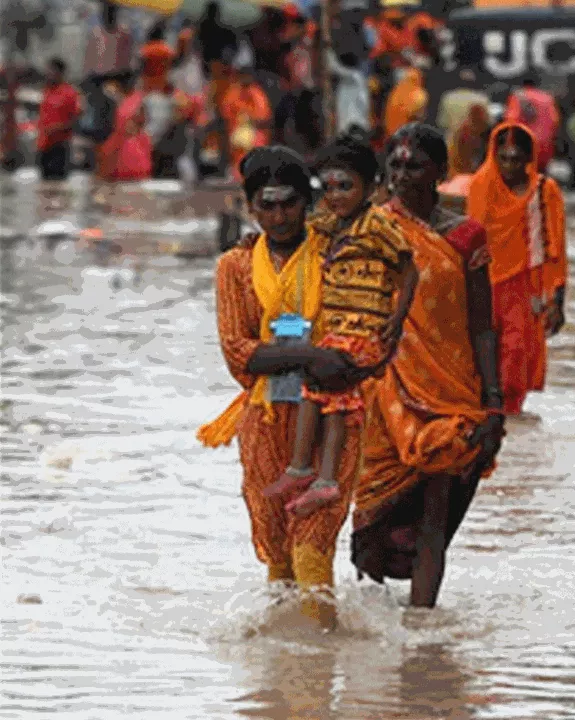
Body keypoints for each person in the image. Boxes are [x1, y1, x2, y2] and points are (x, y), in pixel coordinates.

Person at [197, 146, 363, 630]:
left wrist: (321, 360)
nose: (278, 215)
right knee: (278, 554)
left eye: (288, 203)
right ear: (250, 207)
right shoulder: (236, 267)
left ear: (307, 203)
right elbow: (237, 352)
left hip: (334, 419)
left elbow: (357, 334)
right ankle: (286, 676)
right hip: (267, 422)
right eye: (266, 205)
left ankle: (319, 660)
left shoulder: (337, 253)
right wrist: (312, 356)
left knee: (313, 548)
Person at [351, 122, 505, 608]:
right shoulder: (374, 225)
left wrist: (494, 401)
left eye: (413, 165)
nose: (400, 175)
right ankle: (371, 632)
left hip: (449, 392)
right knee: (371, 515)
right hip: (385, 388)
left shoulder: (465, 236)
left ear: (440, 172)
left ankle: (422, 632)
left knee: (434, 518)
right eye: (394, 164)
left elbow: (483, 324)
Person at [263, 134, 418, 518]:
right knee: (319, 393)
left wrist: (397, 321)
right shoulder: (333, 224)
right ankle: (309, 473)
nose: (336, 196)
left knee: (325, 388)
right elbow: (294, 231)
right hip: (337, 328)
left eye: (346, 186)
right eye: (328, 187)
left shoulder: (377, 225)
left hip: (366, 331)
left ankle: (317, 476)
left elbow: (409, 268)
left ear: (371, 187)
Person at [466, 124, 567, 417]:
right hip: (483, 283)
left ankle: (511, 426)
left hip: (525, 287)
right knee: (478, 360)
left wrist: (557, 300)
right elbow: (469, 238)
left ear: (529, 159)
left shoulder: (543, 190)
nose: (509, 166)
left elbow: (555, 246)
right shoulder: (481, 186)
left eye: (516, 159)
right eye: (503, 158)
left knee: (515, 359)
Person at [220, 63, 272, 178]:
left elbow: (263, 118)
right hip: (236, 134)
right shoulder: (233, 92)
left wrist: (249, 121)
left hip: (255, 134)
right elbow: (226, 114)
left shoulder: (257, 94)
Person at [36, 59, 81, 182]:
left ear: (60, 72)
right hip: (44, 146)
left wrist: (56, 128)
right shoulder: (46, 91)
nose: (48, 74)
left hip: (59, 147)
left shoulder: (69, 93)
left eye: (51, 71)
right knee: (44, 186)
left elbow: (75, 120)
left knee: (58, 187)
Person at [504, 78, 560, 173]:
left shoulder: (518, 96)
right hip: (545, 146)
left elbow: (511, 120)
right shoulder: (547, 97)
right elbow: (555, 121)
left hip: (524, 146)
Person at [139, 22, 177, 94]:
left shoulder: (146, 49)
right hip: (162, 81)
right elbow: (173, 62)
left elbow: (141, 66)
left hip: (148, 82)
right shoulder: (166, 49)